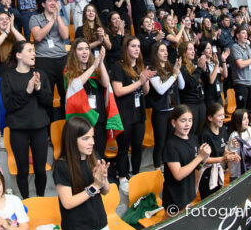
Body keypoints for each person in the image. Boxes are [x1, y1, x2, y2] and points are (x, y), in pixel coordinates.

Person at [0, 41, 52, 199]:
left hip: (40, 128)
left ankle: (40, 199)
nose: (34, 54)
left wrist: (38, 89)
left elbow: (48, 101)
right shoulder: (7, 76)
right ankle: (26, 201)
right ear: (18, 55)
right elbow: (9, 105)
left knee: (40, 170)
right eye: (30, 51)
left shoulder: (40, 74)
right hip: (18, 129)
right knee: (22, 170)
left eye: (34, 51)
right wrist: (28, 90)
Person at [111, 36, 155, 195]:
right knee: (123, 148)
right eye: (133, 46)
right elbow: (118, 91)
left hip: (139, 113)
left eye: (138, 46)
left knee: (137, 146)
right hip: (124, 113)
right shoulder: (118, 67)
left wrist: (145, 80)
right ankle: (122, 177)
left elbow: (146, 92)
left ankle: (135, 175)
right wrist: (139, 81)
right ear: (126, 48)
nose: (137, 49)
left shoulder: (141, 66)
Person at [53, 116, 110, 230]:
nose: (92, 142)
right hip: (77, 228)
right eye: (86, 138)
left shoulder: (94, 156)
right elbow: (67, 203)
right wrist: (94, 186)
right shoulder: (62, 165)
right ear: (72, 140)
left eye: (92, 137)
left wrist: (103, 178)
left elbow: (105, 191)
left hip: (100, 223)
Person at [163, 104, 211, 215]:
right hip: (174, 198)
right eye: (183, 120)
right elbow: (178, 174)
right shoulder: (171, 145)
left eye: (190, 120)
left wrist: (204, 158)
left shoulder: (193, 139)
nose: (187, 124)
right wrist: (200, 157)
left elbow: (196, 166)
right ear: (174, 123)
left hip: (188, 193)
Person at [64, 40, 109, 158]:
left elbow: (106, 83)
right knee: (85, 157)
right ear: (74, 53)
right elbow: (75, 85)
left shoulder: (95, 69)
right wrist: (94, 66)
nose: (84, 52)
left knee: (99, 155)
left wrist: (101, 62)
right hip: (82, 120)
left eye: (87, 49)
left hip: (98, 117)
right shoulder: (69, 71)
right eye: (80, 49)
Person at [30, 0, 69, 121]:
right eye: (50, 0)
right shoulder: (35, 18)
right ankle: (48, 129)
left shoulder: (61, 18)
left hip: (62, 59)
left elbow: (65, 36)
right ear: (43, 4)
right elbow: (38, 36)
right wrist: (52, 20)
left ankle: (65, 125)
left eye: (55, 0)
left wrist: (57, 17)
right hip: (44, 60)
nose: (53, 3)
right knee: (47, 96)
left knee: (65, 94)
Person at [147, 43, 184, 170]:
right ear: (156, 53)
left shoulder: (170, 66)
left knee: (170, 141)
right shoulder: (153, 69)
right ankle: (158, 167)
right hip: (160, 112)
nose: (166, 53)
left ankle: (169, 165)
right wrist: (174, 75)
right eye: (162, 50)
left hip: (173, 110)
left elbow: (182, 86)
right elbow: (161, 90)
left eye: (166, 50)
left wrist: (178, 71)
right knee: (160, 142)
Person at [198, 103, 240, 199]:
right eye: (219, 115)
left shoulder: (222, 130)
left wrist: (230, 154)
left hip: (218, 170)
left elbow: (223, 148)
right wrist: (223, 158)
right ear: (210, 118)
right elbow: (203, 160)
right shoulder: (205, 134)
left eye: (223, 115)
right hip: (207, 174)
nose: (222, 118)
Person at [230, 26, 251, 113]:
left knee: (250, 109)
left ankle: (247, 126)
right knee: (242, 110)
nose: (246, 35)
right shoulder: (235, 47)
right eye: (243, 33)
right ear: (237, 35)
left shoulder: (247, 47)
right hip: (241, 83)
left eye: (246, 33)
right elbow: (240, 64)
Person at [178, 41, 206, 134]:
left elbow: (205, 81)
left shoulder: (194, 64)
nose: (193, 51)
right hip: (190, 104)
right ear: (183, 52)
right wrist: (199, 68)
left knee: (201, 130)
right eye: (190, 49)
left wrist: (203, 69)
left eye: (193, 49)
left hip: (200, 102)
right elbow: (190, 83)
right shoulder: (181, 67)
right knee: (192, 131)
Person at [227, 109, 251, 181]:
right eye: (244, 119)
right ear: (238, 121)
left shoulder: (250, 130)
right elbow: (233, 157)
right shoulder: (234, 135)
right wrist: (234, 147)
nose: (247, 120)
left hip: (249, 167)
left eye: (247, 118)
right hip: (237, 173)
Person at [199, 42, 229, 107]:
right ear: (202, 52)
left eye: (211, 48)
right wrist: (216, 65)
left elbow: (225, 74)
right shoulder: (203, 64)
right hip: (209, 96)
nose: (210, 50)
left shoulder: (214, 62)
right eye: (208, 48)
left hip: (218, 95)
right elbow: (211, 81)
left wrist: (223, 61)